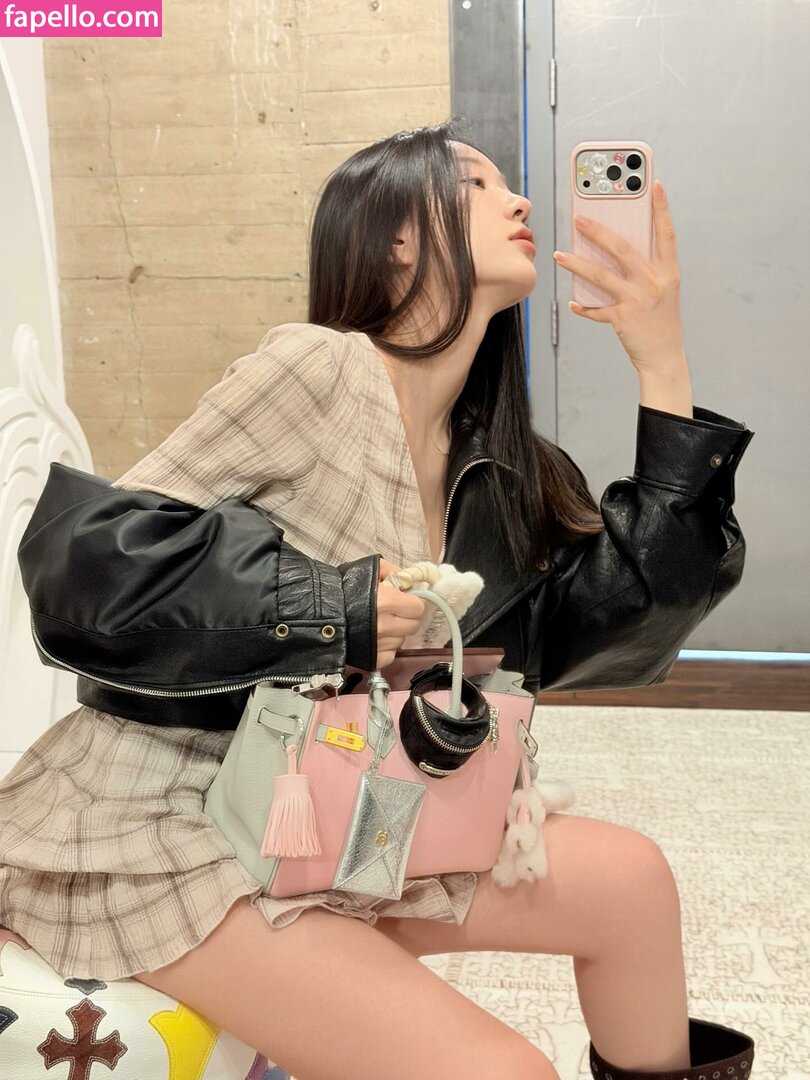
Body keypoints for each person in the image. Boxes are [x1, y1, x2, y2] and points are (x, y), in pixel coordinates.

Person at [0, 120, 756, 1080]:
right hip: (171, 824)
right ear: (397, 236)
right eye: (475, 185)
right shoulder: (316, 369)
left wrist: (662, 361)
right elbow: (87, 556)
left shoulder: (495, 458)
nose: (519, 201)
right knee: (507, 1073)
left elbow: (628, 616)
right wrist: (333, 605)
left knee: (633, 885)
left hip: (354, 815)